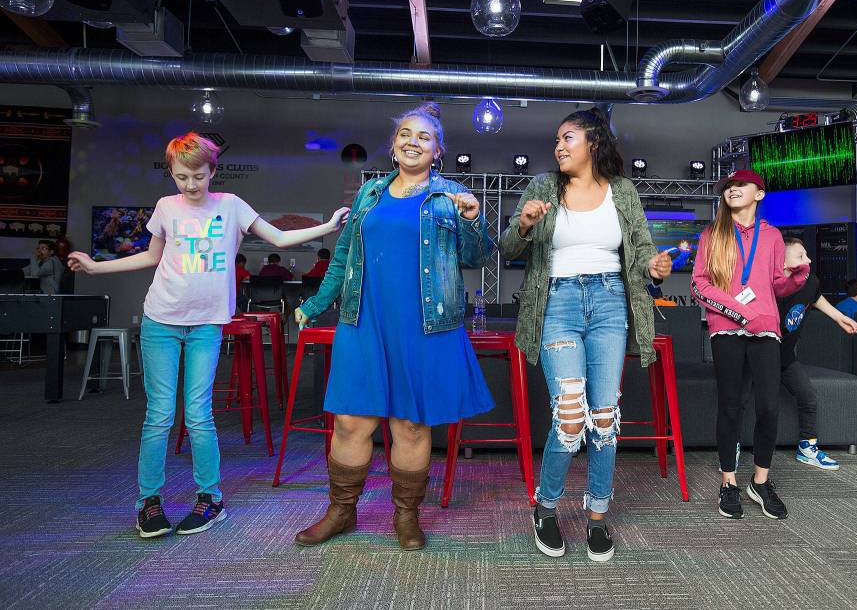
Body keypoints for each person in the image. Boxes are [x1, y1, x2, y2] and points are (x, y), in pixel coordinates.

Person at [67, 132, 348, 539]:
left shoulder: (230, 206)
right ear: (172, 175)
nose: (190, 184)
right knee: (159, 416)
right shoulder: (166, 207)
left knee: (199, 415)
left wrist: (328, 224)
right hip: (160, 320)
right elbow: (151, 257)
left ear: (212, 170)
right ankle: (148, 502)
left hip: (206, 325)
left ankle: (210, 499)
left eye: (198, 175)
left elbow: (280, 237)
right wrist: (96, 267)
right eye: (181, 177)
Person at [292, 103, 494, 552]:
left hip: (424, 325)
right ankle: (341, 512)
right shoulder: (369, 195)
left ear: (438, 150)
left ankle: (406, 516)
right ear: (393, 146)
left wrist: (473, 220)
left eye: (424, 137)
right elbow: (343, 256)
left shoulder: (450, 196)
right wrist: (317, 302)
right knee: (349, 421)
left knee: (411, 425)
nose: (412, 142)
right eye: (405, 134)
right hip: (364, 319)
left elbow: (479, 257)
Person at [499, 108, 672, 562]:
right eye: (556, 138)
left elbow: (641, 250)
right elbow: (507, 247)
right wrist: (525, 224)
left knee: (604, 418)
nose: (558, 145)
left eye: (568, 137)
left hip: (611, 302)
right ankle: (546, 507)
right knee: (570, 415)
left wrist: (654, 267)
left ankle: (597, 515)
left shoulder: (623, 191)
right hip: (558, 303)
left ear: (594, 142)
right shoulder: (541, 187)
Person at [691, 169, 809, 521]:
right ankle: (728, 482)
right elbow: (699, 285)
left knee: (769, 407)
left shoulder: (772, 236)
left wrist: (795, 279)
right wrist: (740, 313)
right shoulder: (712, 233)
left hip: (766, 331)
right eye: (728, 187)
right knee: (730, 405)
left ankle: (760, 481)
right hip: (726, 328)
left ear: (759, 193)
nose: (732, 190)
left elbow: (776, 285)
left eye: (740, 185)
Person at [774, 237, 857, 470]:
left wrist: (839, 318)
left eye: (807, 255)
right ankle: (732, 446)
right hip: (757, 355)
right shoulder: (768, 285)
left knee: (808, 396)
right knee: (740, 400)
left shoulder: (810, 281)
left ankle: (807, 447)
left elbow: (815, 298)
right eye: (800, 256)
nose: (808, 259)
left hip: (784, 357)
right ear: (781, 263)